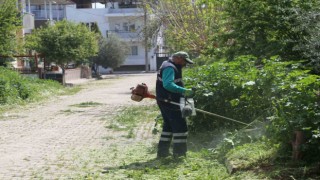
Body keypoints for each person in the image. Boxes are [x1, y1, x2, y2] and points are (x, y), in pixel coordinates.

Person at [156, 51, 194, 158]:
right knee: (180, 127)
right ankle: (179, 154)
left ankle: (162, 153)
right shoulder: (170, 67)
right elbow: (168, 85)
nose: (185, 64)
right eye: (184, 61)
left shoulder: (167, 64)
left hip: (165, 100)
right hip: (170, 102)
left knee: (168, 127)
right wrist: (185, 91)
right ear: (178, 58)